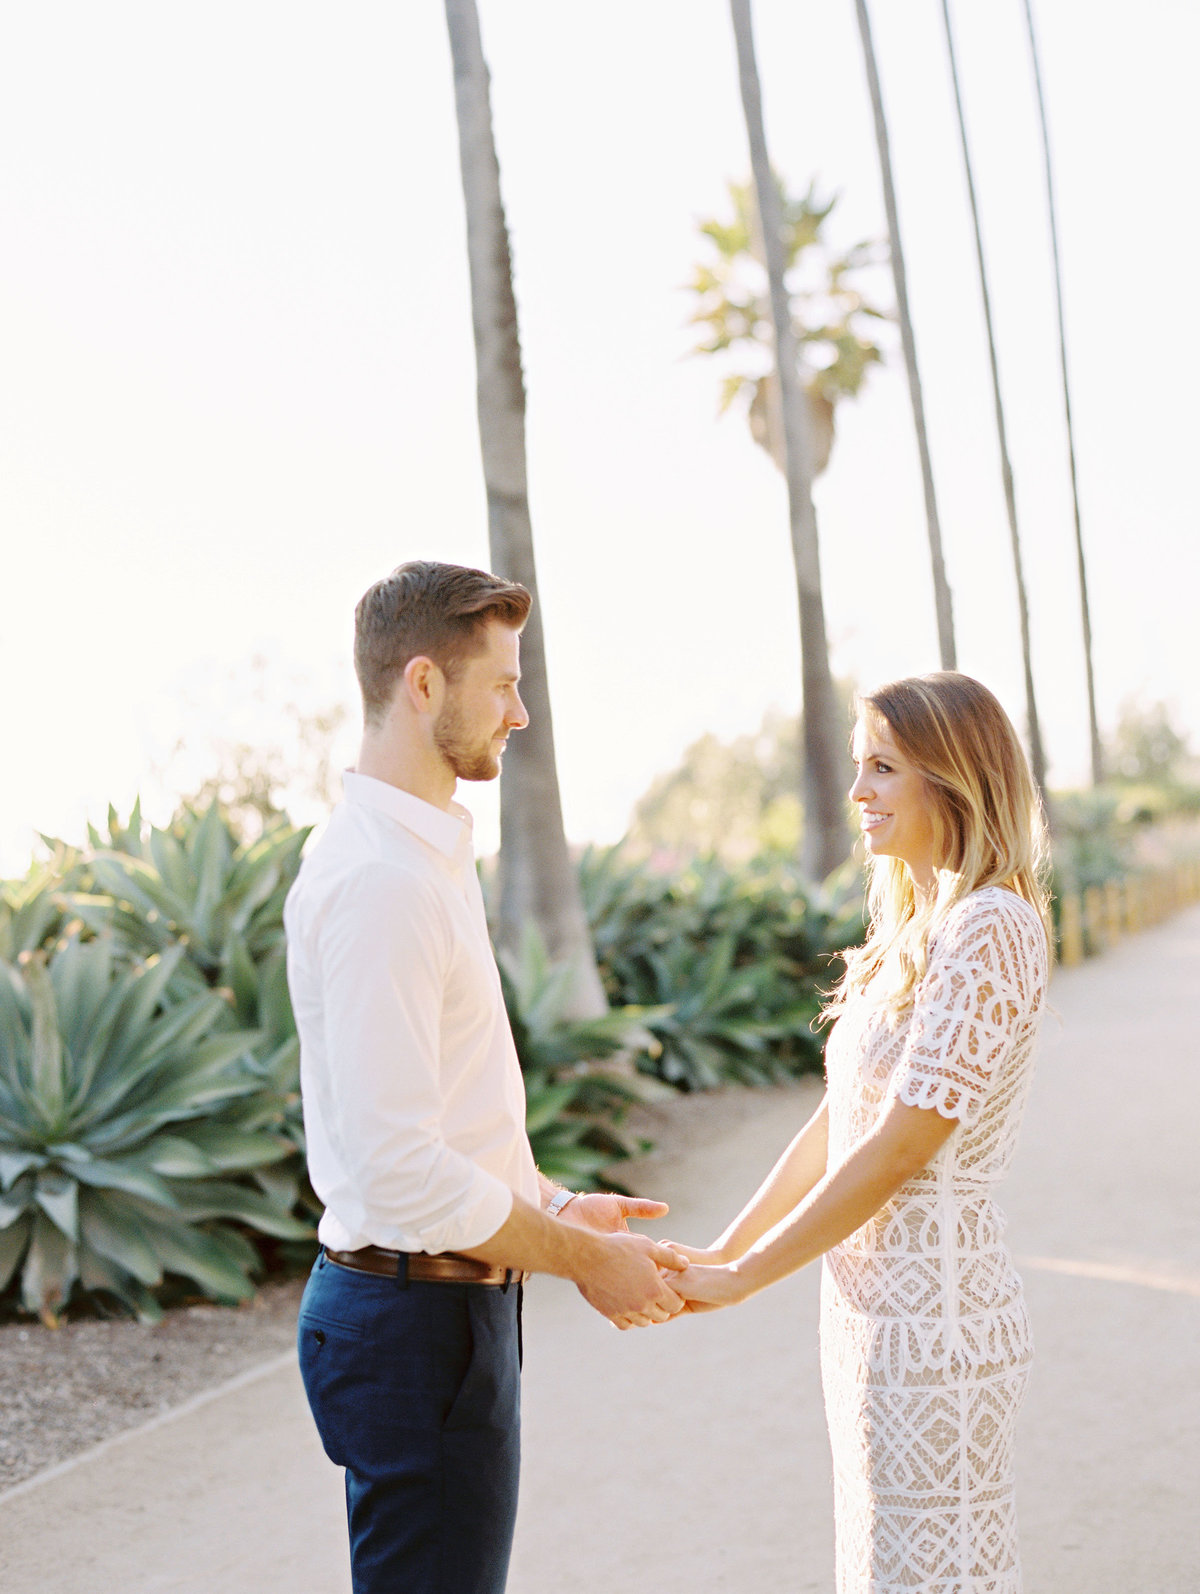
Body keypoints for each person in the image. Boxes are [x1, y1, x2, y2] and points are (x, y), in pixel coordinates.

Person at [284, 560, 685, 1594]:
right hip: (416, 1319)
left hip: (435, 1307)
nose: (520, 711)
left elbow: (447, 1113)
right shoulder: (382, 879)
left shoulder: (419, 857)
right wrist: (583, 1261)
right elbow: (404, 1168)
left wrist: (554, 1205)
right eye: (501, 683)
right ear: (423, 685)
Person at [668, 672, 1051, 1594]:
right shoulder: (919, 933)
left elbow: (902, 1147)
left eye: (882, 767)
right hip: (870, 1320)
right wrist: (719, 1252)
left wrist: (747, 1279)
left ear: (952, 778)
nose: (857, 794)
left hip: (939, 1324)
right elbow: (840, 1122)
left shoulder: (991, 924)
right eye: (858, 766)